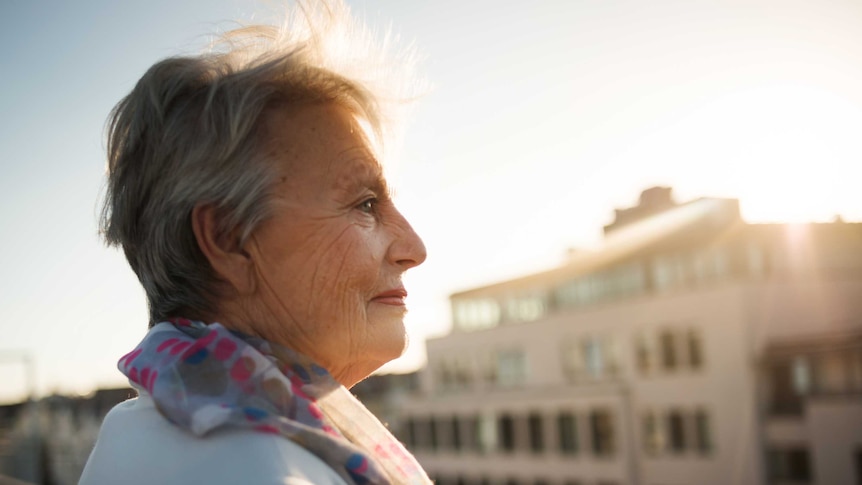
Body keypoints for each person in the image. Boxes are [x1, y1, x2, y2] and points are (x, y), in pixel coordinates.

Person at [79, 2, 431, 484]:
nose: (413, 248)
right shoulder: (260, 467)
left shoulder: (139, 430)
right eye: (365, 204)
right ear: (230, 239)